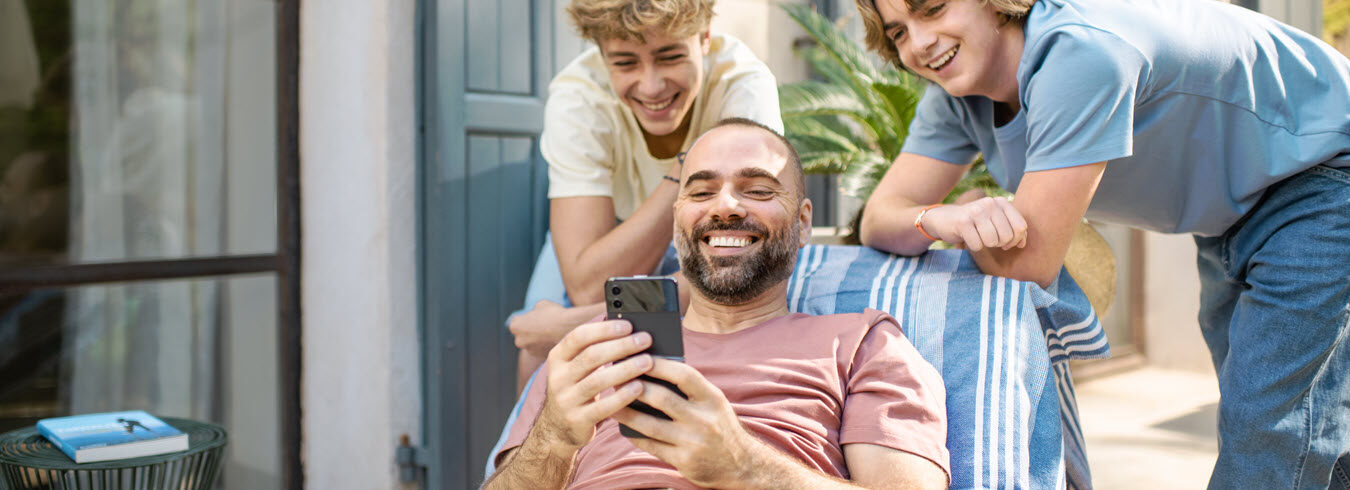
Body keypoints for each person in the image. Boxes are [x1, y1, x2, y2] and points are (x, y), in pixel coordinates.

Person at [852, 0, 1350, 486]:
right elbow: (878, 217)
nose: (918, 44)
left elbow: (1027, 268)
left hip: (1320, 176)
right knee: (1308, 423)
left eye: (932, 9)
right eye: (897, 32)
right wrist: (943, 217)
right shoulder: (959, 96)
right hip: (1228, 214)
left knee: (1270, 430)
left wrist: (970, 225)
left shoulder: (1080, 52)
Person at [484, 118, 950, 489]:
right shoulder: (597, 348)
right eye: (701, 191)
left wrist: (744, 467)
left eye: (759, 190)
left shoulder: (863, 345)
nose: (724, 206)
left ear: (804, 222)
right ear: (676, 222)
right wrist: (556, 436)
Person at [510, 0, 784, 389]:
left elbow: (741, 261)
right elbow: (588, 285)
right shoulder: (579, 97)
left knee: (550, 333)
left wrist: (571, 326)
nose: (651, 86)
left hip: (714, 232)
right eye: (624, 63)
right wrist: (689, 164)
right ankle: (532, 452)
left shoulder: (743, 87)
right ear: (602, 56)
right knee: (538, 352)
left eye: (669, 56)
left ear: (705, 38)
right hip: (611, 230)